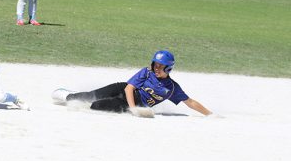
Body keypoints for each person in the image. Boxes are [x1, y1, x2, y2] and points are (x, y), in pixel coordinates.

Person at [51, 50, 213, 117]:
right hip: (123, 90)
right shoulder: (146, 72)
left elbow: (189, 102)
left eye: (160, 66)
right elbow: (129, 88)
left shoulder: (171, 89)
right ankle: (66, 94)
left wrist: (210, 114)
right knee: (87, 96)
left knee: (96, 106)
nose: (156, 68)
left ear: (169, 68)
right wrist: (134, 109)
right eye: (155, 65)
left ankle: (84, 102)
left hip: (129, 103)